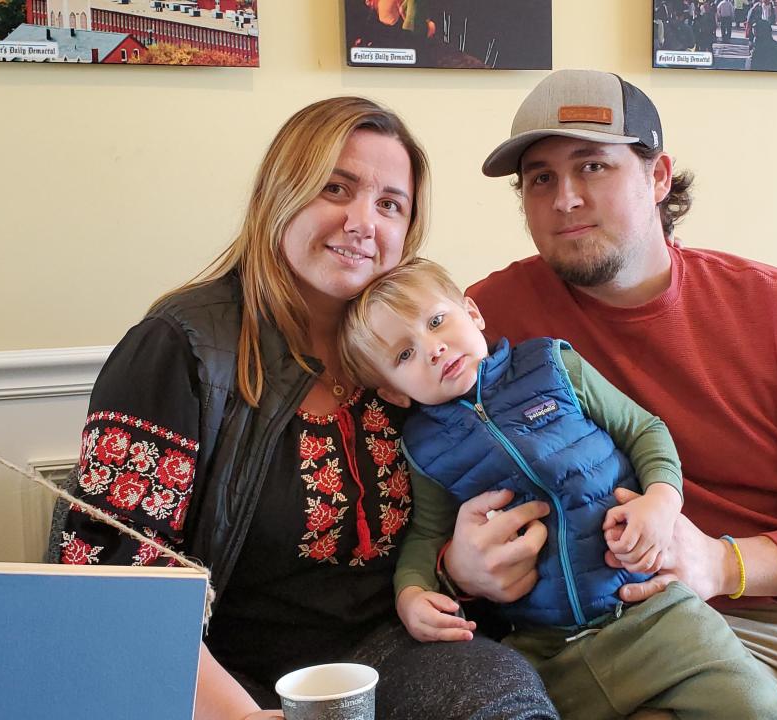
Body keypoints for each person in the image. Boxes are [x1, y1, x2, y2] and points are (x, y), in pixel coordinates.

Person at [55, 96, 558, 720]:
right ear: (280, 194)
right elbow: (108, 577)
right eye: (334, 188)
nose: (361, 222)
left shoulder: (419, 353)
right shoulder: (179, 349)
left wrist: (458, 568)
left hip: (398, 648)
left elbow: (467, 507)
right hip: (226, 671)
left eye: (389, 204)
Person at [451, 68, 777, 718]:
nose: (564, 198)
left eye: (592, 167)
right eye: (540, 178)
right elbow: (428, 486)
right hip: (653, 628)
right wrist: (459, 567)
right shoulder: (484, 324)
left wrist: (722, 563)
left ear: (657, 177)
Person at [337, 258, 777, 719]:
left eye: (436, 321)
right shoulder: (422, 446)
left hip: (653, 613)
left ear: (472, 313)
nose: (432, 348)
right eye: (404, 355)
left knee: (756, 706)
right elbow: (428, 533)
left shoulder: (552, 365)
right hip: (544, 645)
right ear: (393, 392)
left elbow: (644, 431)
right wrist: (411, 594)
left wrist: (661, 501)